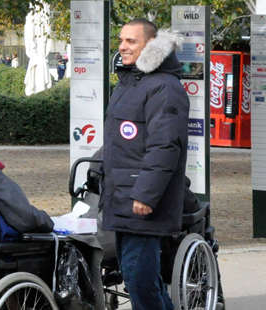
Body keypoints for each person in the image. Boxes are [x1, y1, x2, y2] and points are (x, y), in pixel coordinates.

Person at [103, 19, 188, 310]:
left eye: (131, 41)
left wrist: (146, 194)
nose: (123, 47)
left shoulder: (164, 86)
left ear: (150, 45)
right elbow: (120, 140)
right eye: (121, 40)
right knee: (140, 279)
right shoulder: (129, 82)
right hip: (122, 194)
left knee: (140, 281)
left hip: (141, 200)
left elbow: (165, 145)